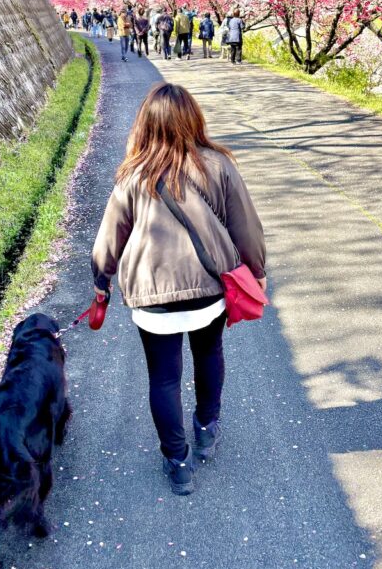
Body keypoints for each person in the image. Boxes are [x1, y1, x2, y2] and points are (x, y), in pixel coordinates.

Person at [91, 84, 267, 495]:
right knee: (209, 354)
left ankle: (178, 462)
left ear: (145, 124)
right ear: (193, 118)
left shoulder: (133, 174)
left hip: (152, 295)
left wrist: (102, 282)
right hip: (208, 287)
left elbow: (109, 238)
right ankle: (206, 428)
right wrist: (257, 271)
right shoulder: (218, 166)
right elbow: (246, 228)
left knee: (163, 378)